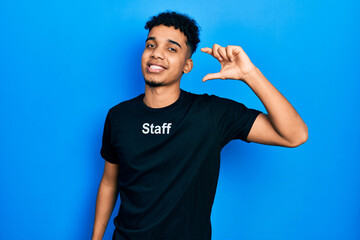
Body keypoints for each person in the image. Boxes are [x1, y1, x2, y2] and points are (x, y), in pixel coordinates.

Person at [91, 11, 308, 240]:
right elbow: (109, 181)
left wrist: (249, 74)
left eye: (171, 49)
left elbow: (295, 135)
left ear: (187, 65)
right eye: (151, 45)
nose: (157, 54)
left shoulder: (211, 113)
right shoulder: (119, 116)